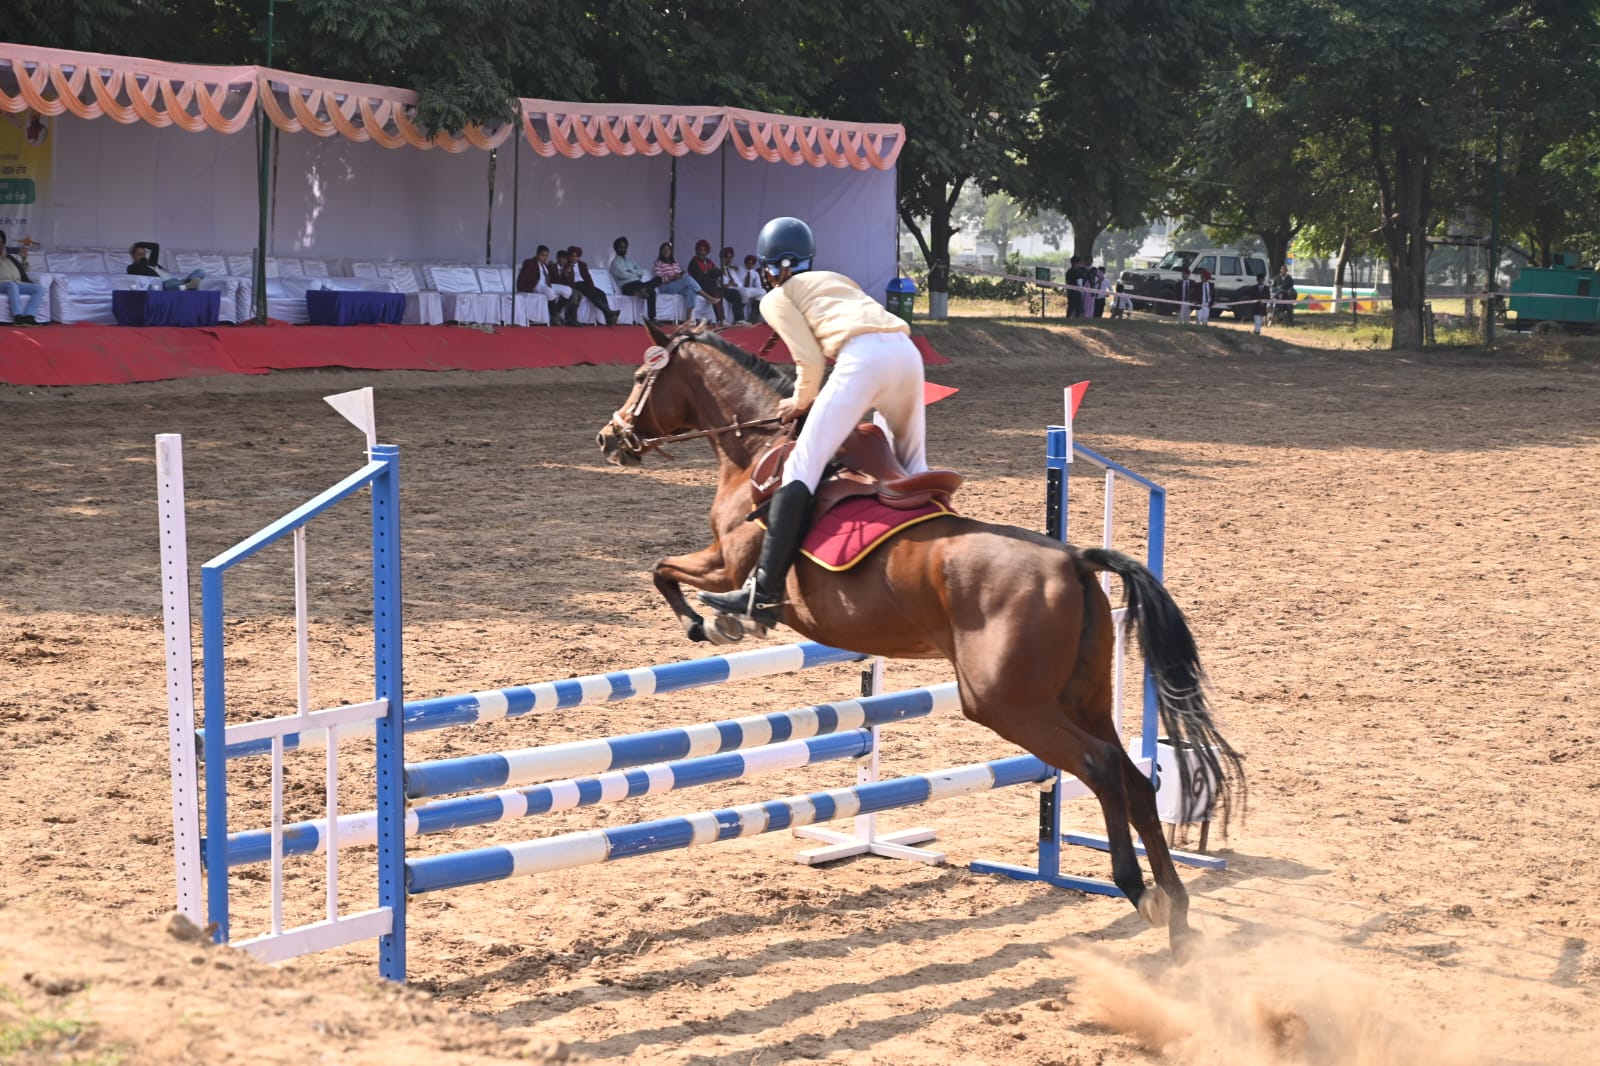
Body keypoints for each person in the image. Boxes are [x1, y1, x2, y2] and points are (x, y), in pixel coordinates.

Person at [698, 216, 927, 630]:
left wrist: (799, 401)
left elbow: (810, 360)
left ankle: (764, 594)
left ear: (772, 266)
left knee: (802, 465)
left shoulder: (777, 296)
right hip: (907, 355)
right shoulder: (836, 279)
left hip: (863, 360)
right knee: (911, 466)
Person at [564, 245, 619, 326]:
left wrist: (592, 287)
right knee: (593, 295)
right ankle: (609, 313)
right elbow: (565, 279)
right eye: (572, 256)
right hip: (574, 285)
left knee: (601, 293)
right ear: (569, 256)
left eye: (576, 256)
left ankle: (608, 317)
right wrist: (566, 273)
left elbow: (588, 277)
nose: (574, 258)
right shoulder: (566, 265)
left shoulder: (582, 265)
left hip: (584, 283)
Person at [609, 236, 662, 320]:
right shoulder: (614, 263)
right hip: (627, 286)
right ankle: (642, 290)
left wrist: (630, 271)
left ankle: (652, 318)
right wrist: (635, 272)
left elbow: (641, 272)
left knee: (658, 281)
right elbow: (623, 275)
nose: (623, 249)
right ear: (616, 249)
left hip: (638, 284)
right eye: (621, 247)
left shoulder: (630, 261)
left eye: (625, 247)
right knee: (649, 289)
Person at [0, 230, 45, 325]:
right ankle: (18, 316)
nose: (1, 245)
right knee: (11, 284)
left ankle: (29, 316)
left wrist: (24, 259)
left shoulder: (10, 258)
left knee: (39, 288)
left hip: (16, 283)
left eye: (2, 242)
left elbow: (26, 271)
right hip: (3, 283)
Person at [651, 242, 706, 315]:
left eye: (668, 250)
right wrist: (672, 278)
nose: (666, 252)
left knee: (691, 290)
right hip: (665, 287)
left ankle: (688, 317)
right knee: (688, 279)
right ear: (661, 252)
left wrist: (680, 276)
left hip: (676, 286)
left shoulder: (675, 262)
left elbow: (679, 273)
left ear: (671, 251)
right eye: (664, 250)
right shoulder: (658, 263)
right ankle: (706, 296)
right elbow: (658, 278)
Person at [128, 243, 205, 290]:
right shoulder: (133, 267)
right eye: (139, 254)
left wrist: (138, 244)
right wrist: (141, 262)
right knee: (193, 289)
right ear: (133, 256)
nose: (143, 256)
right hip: (165, 284)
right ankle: (188, 286)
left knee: (200, 272)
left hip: (175, 281)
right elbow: (140, 271)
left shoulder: (152, 263)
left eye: (144, 254)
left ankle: (188, 285)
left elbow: (155, 246)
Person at [686, 239, 727, 323]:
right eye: (700, 250)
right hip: (699, 287)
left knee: (730, 292)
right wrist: (711, 273)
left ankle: (738, 319)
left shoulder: (709, 261)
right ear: (696, 251)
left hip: (710, 286)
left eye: (704, 250)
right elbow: (700, 276)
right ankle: (721, 319)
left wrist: (708, 271)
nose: (702, 252)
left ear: (707, 251)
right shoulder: (693, 262)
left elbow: (720, 272)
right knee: (716, 292)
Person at [730, 253, 765, 324]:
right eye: (748, 263)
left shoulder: (755, 273)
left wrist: (756, 295)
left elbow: (758, 286)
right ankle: (738, 317)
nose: (750, 265)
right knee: (746, 292)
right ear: (746, 263)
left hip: (749, 291)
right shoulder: (739, 268)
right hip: (739, 288)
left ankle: (753, 318)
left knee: (763, 291)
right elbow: (731, 267)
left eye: (752, 264)